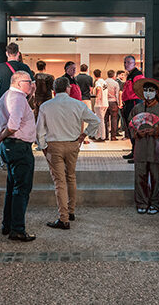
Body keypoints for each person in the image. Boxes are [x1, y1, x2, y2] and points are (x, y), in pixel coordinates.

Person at [36, 77, 101, 229]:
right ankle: (71, 211)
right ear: (68, 88)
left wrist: (43, 146)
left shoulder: (46, 106)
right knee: (71, 177)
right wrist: (84, 134)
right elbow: (96, 121)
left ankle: (63, 218)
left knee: (59, 182)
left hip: (54, 146)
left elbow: (39, 130)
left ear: (54, 90)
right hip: (73, 144)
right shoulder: (78, 104)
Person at [0, 70, 38, 242]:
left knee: (12, 188)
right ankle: (17, 229)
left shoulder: (7, 95)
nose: (32, 85)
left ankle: (8, 224)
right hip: (19, 147)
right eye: (29, 82)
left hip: (10, 147)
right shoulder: (18, 98)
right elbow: (13, 126)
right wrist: (2, 136)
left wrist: (2, 137)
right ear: (19, 83)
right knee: (21, 189)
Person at [128, 78, 159, 214]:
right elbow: (130, 125)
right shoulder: (137, 108)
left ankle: (157, 204)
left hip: (156, 148)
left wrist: (157, 131)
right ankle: (142, 202)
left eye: (151, 90)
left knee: (158, 177)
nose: (148, 93)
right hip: (140, 148)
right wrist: (136, 133)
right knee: (140, 176)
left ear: (156, 92)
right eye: (145, 90)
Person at [0, 43, 34, 161]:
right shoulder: (24, 67)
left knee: (1, 126)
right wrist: (27, 98)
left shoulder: (0, 67)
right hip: (19, 99)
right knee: (19, 125)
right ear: (18, 53)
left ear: (7, 53)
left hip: (5, 100)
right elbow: (33, 87)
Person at [120, 55, 145, 161]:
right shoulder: (130, 75)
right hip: (129, 104)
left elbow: (140, 90)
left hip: (134, 104)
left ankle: (137, 154)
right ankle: (134, 151)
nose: (126, 65)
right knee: (131, 129)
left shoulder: (137, 75)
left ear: (134, 64)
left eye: (129, 62)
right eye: (125, 62)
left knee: (135, 128)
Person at [91, 69, 108, 141]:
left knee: (100, 121)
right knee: (101, 120)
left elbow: (99, 89)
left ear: (94, 75)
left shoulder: (98, 82)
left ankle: (102, 137)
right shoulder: (104, 82)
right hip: (105, 103)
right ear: (100, 74)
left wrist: (97, 97)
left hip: (100, 104)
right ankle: (98, 136)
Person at [105, 70, 122, 140]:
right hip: (113, 102)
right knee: (114, 119)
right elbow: (117, 94)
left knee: (105, 120)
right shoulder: (115, 83)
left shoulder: (104, 82)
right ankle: (113, 136)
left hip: (106, 102)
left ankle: (105, 135)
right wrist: (119, 103)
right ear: (114, 75)